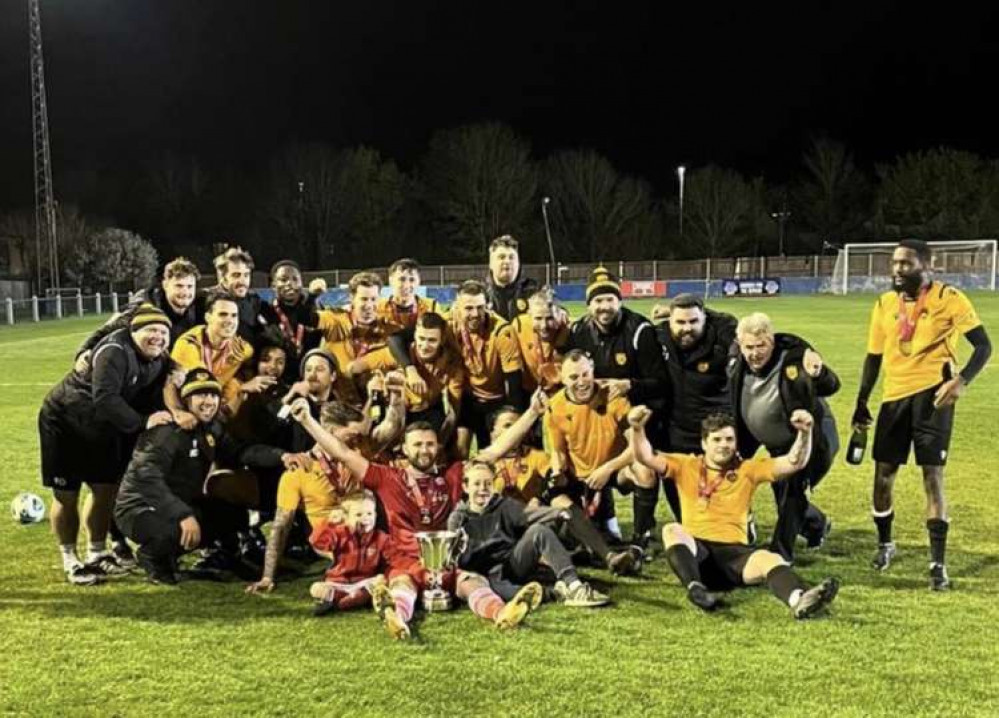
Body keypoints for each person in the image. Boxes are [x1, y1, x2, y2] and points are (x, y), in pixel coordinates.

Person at [289, 390, 551, 639]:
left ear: (437, 447)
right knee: (403, 585)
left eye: (430, 445)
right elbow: (343, 453)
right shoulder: (386, 478)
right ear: (404, 448)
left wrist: (532, 412)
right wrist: (308, 421)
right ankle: (397, 619)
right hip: (404, 563)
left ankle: (502, 613)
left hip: (447, 563)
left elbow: (494, 451)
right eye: (417, 445)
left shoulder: (452, 477)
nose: (424, 450)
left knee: (473, 582)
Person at [852, 239, 992, 590]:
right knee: (883, 474)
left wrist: (961, 381)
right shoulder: (884, 303)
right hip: (894, 397)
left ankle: (937, 563)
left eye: (907, 264)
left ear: (927, 266)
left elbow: (983, 345)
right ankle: (885, 544)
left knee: (932, 476)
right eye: (895, 263)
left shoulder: (949, 299)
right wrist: (862, 401)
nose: (898, 269)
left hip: (934, 398)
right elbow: (873, 357)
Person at [629, 407, 839, 619]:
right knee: (672, 529)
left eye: (729, 439)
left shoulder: (747, 469)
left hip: (736, 557)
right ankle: (695, 588)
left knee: (770, 558)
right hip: (696, 554)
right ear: (704, 443)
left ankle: (799, 599)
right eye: (717, 439)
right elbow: (645, 456)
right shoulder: (685, 465)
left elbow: (794, 462)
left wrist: (805, 432)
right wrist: (637, 428)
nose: (724, 445)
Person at [114, 369, 297, 585]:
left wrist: (282, 456)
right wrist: (182, 514)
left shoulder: (211, 428)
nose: (208, 401)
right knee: (172, 531)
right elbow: (146, 479)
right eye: (200, 395)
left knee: (231, 512)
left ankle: (230, 556)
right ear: (186, 400)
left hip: (180, 502)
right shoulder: (166, 432)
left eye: (212, 395)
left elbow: (239, 452)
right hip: (139, 507)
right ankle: (154, 558)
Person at [38, 304, 175, 585]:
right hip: (65, 422)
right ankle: (70, 559)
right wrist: (143, 421)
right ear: (133, 331)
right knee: (67, 493)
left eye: (163, 332)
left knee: (105, 489)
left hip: (102, 427)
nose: (158, 337)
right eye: (151, 330)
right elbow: (105, 397)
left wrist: (178, 372)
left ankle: (96, 552)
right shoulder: (114, 351)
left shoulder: (159, 357)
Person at [246, 395, 406, 594]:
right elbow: (281, 525)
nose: (358, 440)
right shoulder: (298, 471)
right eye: (352, 435)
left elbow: (390, 429)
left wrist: (396, 397)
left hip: (368, 528)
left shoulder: (357, 452)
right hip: (332, 539)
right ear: (330, 432)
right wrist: (267, 577)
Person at [564, 266, 669, 549]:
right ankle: (599, 525)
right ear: (589, 305)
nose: (604, 307)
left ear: (619, 301)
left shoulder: (640, 331)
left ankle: (642, 536)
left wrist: (628, 385)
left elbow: (661, 383)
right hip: (594, 427)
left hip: (633, 426)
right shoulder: (578, 331)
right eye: (598, 301)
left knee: (645, 471)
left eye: (610, 299)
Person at [728, 312, 839, 562]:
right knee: (782, 495)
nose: (755, 353)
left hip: (809, 438)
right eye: (749, 347)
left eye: (761, 346)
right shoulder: (735, 359)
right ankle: (817, 524)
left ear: (772, 342)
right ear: (740, 344)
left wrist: (819, 372)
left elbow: (832, 385)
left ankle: (780, 555)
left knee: (791, 494)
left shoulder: (794, 358)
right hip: (770, 441)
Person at [447, 461, 610, 607]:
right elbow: (451, 555)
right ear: (466, 487)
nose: (483, 489)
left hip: (512, 564)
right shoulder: (458, 518)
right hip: (483, 577)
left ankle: (574, 586)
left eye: (488, 484)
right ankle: (555, 593)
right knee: (509, 595)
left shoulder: (503, 505)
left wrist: (558, 513)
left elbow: (530, 514)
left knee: (538, 531)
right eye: (477, 484)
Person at [545, 349, 657, 552]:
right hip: (581, 476)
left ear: (593, 370)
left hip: (615, 469)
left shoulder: (612, 396)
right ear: (562, 378)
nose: (581, 382)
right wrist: (557, 471)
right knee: (581, 541)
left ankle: (640, 539)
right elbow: (558, 451)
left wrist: (608, 468)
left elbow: (638, 446)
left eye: (585, 374)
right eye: (573, 377)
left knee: (645, 470)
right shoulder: (555, 407)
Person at [650, 293, 737, 523]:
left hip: (714, 428)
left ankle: (736, 524)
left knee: (721, 486)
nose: (686, 328)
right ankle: (687, 525)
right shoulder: (659, 336)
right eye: (680, 322)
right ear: (670, 321)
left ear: (705, 319)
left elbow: (732, 323)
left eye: (693, 321)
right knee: (674, 481)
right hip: (676, 428)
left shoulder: (721, 335)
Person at [345, 311, 466, 434]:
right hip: (398, 411)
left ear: (441, 340)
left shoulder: (451, 364)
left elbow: (453, 408)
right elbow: (352, 368)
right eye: (421, 339)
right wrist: (369, 385)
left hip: (429, 411)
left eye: (432, 340)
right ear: (414, 336)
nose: (424, 345)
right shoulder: (398, 354)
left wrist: (443, 439)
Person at [450, 279, 525, 453]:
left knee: (491, 453)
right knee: (458, 451)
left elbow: (513, 381)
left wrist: (514, 421)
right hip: (468, 398)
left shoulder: (502, 330)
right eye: (468, 308)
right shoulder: (449, 324)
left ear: (487, 306)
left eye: (480, 307)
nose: (475, 314)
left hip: (496, 400)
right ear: (457, 307)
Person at [76, 257, 201, 358]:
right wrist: (84, 351)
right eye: (179, 286)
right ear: (165, 285)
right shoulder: (144, 306)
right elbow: (111, 327)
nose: (185, 292)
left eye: (190, 286)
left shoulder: (198, 306)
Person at [314, 271, 399, 406]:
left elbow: (402, 362)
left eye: (374, 299)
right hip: (335, 403)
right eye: (364, 299)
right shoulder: (335, 320)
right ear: (352, 298)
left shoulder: (390, 330)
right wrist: (312, 297)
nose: (369, 305)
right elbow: (306, 318)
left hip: (374, 405)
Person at [170, 291, 258, 419]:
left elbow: (249, 358)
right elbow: (203, 386)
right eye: (223, 314)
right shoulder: (188, 344)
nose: (230, 321)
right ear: (208, 317)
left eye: (234, 316)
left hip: (216, 408)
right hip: (190, 408)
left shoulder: (243, 348)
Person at [308, 491, 394, 617]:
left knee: (380, 581)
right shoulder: (338, 534)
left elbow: (390, 561)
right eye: (358, 514)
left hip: (364, 582)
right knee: (316, 588)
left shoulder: (381, 538)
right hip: (338, 582)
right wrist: (328, 523)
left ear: (375, 515)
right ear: (346, 518)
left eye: (369, 513)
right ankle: (340, 599)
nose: (365, 518)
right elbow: (317, 541)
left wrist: (384, 577)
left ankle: (344, 601)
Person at [258, 259, 325, 382]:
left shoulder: (316, 309)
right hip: (276, 380)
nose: (290, 283)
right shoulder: (266, 312)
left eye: (295, 279)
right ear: (273, 285)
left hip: (310, 379)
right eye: (283, 279)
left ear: (301, 283)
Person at [198, 246, 263, 345]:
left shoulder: (254, 300)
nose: (242, 281)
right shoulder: (203, 299)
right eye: (236, 275)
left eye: (246, 275)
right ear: (223, 277)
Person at [509, 287, 568, 394]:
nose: (544, 325)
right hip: (527, 393)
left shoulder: (569, 332)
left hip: (558, 393)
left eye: (550, 318)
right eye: (538, 318)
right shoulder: (519, 325)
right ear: (529, 315)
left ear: (558, 315)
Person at [484, 235, 538, 321]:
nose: (507, 261)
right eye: (501, 257)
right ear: (491, 263)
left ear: (518, 263)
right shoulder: (481, 294)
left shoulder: (534, 291)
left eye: (512, 257)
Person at [376, 258, 441, 331]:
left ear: (418, 282)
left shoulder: (432, 307)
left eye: (412, 280)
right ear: (391, 281)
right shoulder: (378, 309)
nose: (406, 285)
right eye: (402, 279)